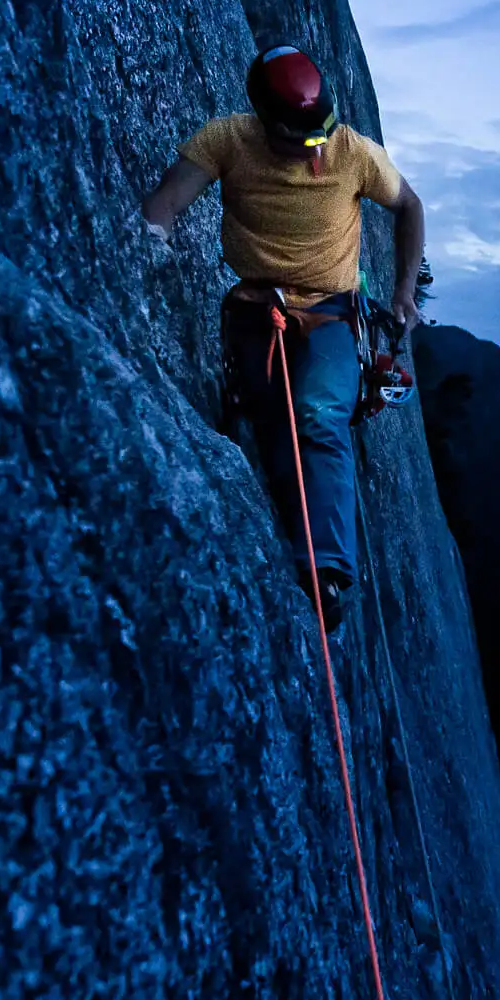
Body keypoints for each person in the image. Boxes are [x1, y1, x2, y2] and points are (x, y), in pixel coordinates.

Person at [141, 44, 426, 628]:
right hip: (256, 304)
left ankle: (325, 574)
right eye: (301, 140)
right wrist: (152, 240)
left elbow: (409, 205)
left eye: (319, 137)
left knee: (319, 416)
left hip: (331, 313)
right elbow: (165, 203)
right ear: (265, 123)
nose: (315, 153)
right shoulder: (228, 140)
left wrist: (402, 295)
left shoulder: (353, 152)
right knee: (271, 425)